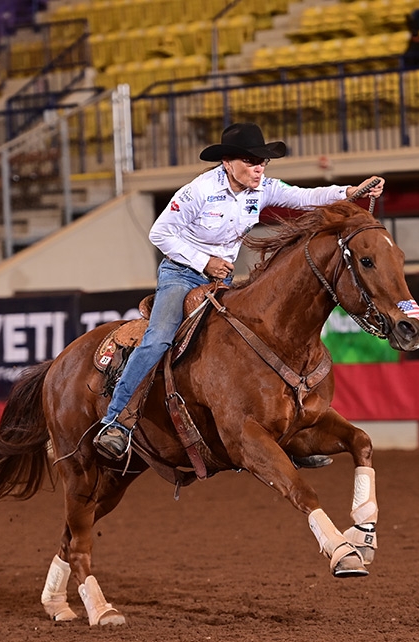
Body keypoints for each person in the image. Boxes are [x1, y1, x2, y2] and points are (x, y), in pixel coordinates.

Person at [93, 122, 385, 461]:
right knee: (158, 338)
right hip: (182, 275)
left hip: (223, 281)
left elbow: (304, 197)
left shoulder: (262, 188)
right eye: (251, 162)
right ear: (227, 163)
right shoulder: (197, 192)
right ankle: (115, 422)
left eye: (262, 162)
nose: (259, 168)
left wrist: (349, 191)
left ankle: (285, 432)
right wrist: (205, 262)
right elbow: (160, 234)